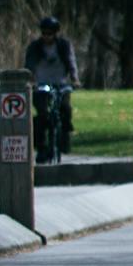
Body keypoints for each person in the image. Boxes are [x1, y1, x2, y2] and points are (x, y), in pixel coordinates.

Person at [24, 15, 77, 162]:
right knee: (42, 116)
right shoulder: (35, 47)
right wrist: (30, 80)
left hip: (60, 83)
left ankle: (65, 137)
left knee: (65, 108)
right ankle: (41, 148)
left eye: (50, 33)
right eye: (44, 33)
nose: (47, 36)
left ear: (55, 33)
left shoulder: (64, 46)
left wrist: (74, 79)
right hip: (41, 85)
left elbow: (71, 63)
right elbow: (29, 65)